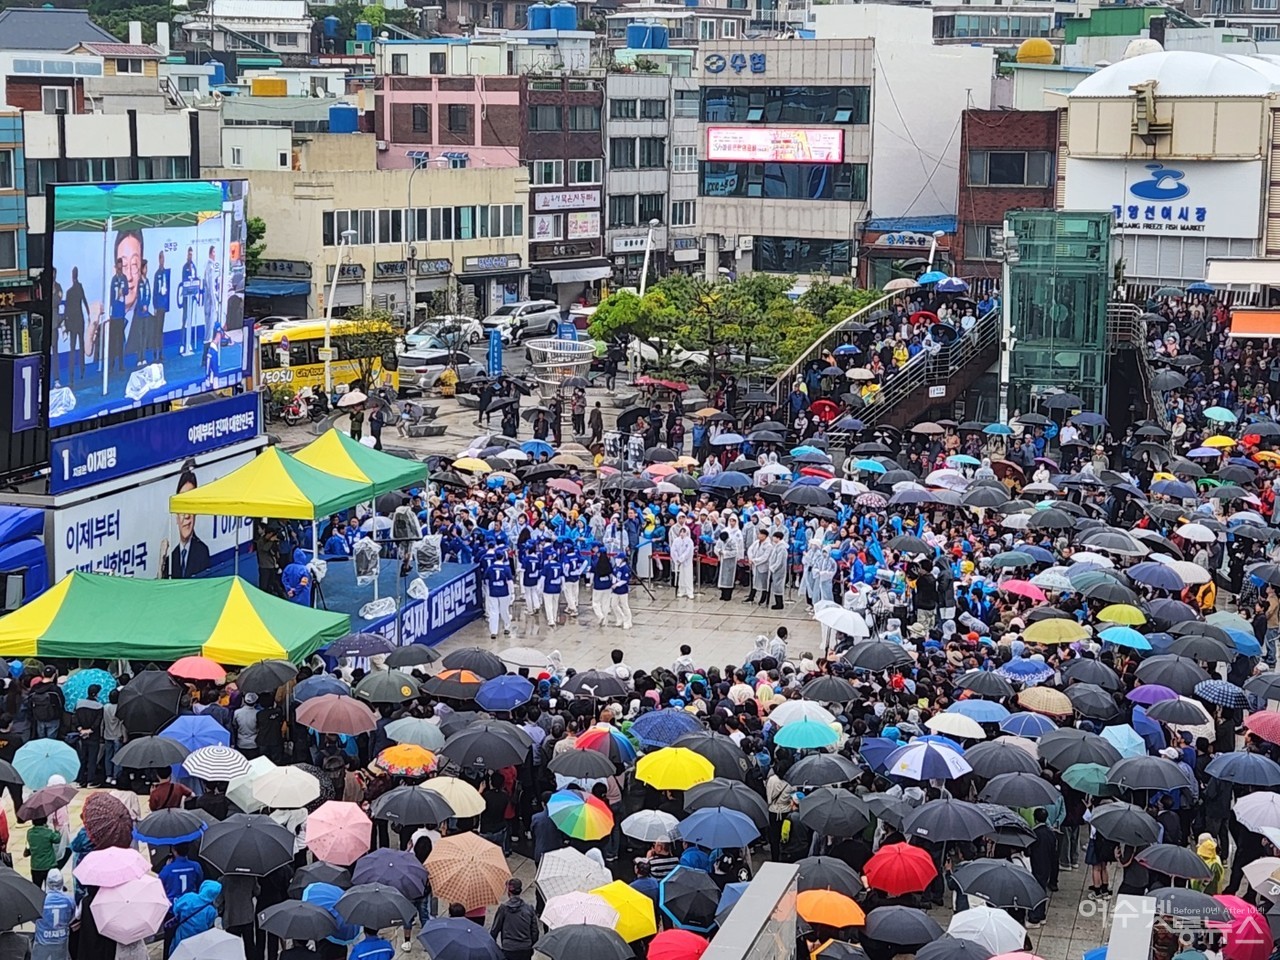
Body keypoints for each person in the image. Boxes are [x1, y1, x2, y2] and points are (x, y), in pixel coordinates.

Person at [162, 464, 210, 580]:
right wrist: (161, 560)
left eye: (190, 506)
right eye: (183, 506)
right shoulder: (171, 558)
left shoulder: (202, 551)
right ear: (176, 515)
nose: (187, 516)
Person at [169, 879, 222, 955]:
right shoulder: (212, 910)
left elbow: (176, 909)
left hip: (182, 933)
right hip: (199, 939)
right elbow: (210, 924)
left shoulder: (189, 897)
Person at [490, 879, 539, 960]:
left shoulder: (503, 909)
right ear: (521, 890)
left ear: (508, 892)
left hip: (509, 948)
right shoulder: (529, 908)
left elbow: (494, 930)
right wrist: (531, 945)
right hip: (525, 948)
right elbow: (535, 931)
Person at [31, 869, 73, 960]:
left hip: (42, 941)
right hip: (61, 941)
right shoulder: (68, 900)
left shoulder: (40, 900)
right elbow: (72, 917)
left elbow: (32, 917)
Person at [61, 267, 88, 386]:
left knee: (74, 347)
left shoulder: (71, 291)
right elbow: (84, 301)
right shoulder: (77, 289)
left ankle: (76, 372)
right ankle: (80, 370)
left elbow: (67, 310)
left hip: (74, 322)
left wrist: (66, 325)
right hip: (78, 321)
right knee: (79, 346)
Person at [23, 818, 59, 890]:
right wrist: (56, 829)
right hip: (49, 865)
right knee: (50, 889)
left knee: (36, 889)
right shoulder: (48, 832)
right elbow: (57, 839)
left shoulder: (30, 832)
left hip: (36, 866)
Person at [151, 250, 170, 363]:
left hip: (163, 305)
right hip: (158, 305)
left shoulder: (165, 273)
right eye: (161, 258)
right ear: (159, 260)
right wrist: (154, 306)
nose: (162, 260)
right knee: (156, 330)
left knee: (161, 330)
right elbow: (154, 291)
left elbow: (167, 289)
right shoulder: (157, 274)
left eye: (163, 258)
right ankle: (155, 351)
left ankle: (161, 352)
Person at [671, 524, 695, 599]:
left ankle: (689, 591)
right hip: (679, 562)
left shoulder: (689, 541)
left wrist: (682, 558)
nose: (682, 533)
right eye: (681, 531)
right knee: (681, 577)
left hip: (687, 561)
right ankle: (681, 590)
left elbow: (688, 552)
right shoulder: (676, 540)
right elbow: (673, 550)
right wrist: (677, 558)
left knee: (688, 576)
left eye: (684, 532)